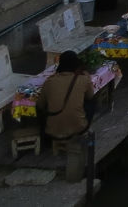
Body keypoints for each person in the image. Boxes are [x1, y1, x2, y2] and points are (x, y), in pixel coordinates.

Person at [38, 50, 94, 181]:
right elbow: (90, 96)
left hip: (51, 130)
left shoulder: (49, 82)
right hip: (78, 128)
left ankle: (47, 135)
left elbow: (40, 105)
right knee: (90, 103)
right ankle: (79, 124)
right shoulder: (83, 79)